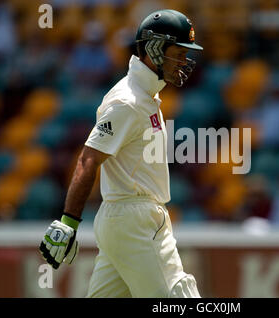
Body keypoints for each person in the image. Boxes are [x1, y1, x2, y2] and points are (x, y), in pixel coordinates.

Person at [39, 9, 203, 298]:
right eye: (178, 52)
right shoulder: (128, 102)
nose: (183, 61)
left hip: (125, 221)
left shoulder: (145, 96)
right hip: (136, 221)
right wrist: (68, 222)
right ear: (154, 48)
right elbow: (89, 158)